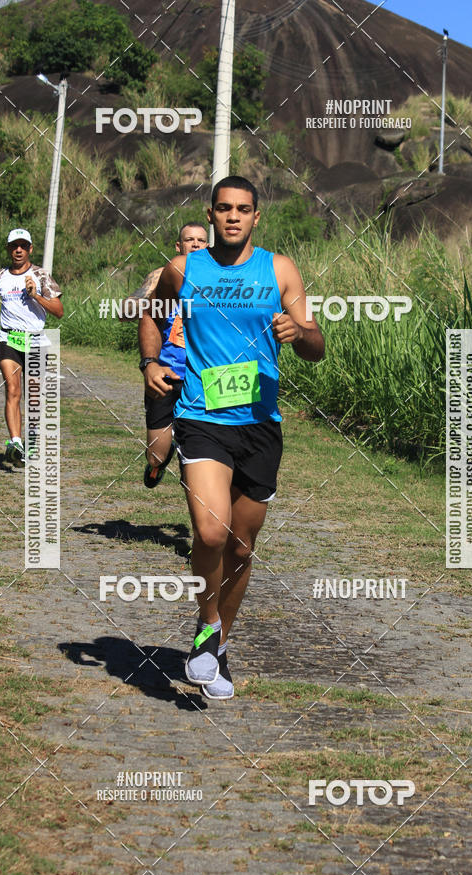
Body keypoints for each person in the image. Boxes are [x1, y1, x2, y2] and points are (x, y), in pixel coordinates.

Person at [140, 176, 325, 699]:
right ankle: (204, 629)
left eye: (243, 209)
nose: (233, 217)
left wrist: (301, 332)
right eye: (224, 208)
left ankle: (218, 646)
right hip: (201, 416)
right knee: (212, 532)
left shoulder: (279, 268)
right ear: (212, 213)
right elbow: (152, 315)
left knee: (242, 547)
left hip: (260, 425)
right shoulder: (186, 268)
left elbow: (317, 346)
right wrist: (151, 362)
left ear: (256, 216)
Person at [0, 228, 63, 466]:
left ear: (30, 249)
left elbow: (59, 311)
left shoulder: (41, 276)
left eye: (23, 245)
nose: (19, 250)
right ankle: (15, 442)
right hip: (9, 338)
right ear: (8, 249)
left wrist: (36, 296)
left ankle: (31, 444)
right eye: (14, 246)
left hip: (36, 340)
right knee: (13, 389)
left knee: (35, 397)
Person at [133, 223, 208, 487]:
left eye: (201, 240)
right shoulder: (163, 276)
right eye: (189, 240)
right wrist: (146, 302)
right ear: (179, 246)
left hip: (201, 376)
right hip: (165, 372)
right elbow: (129, 310)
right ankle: (159, 463)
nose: (196, 244)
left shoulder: (217, 277)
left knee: (199, 457)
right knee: (156, 454)